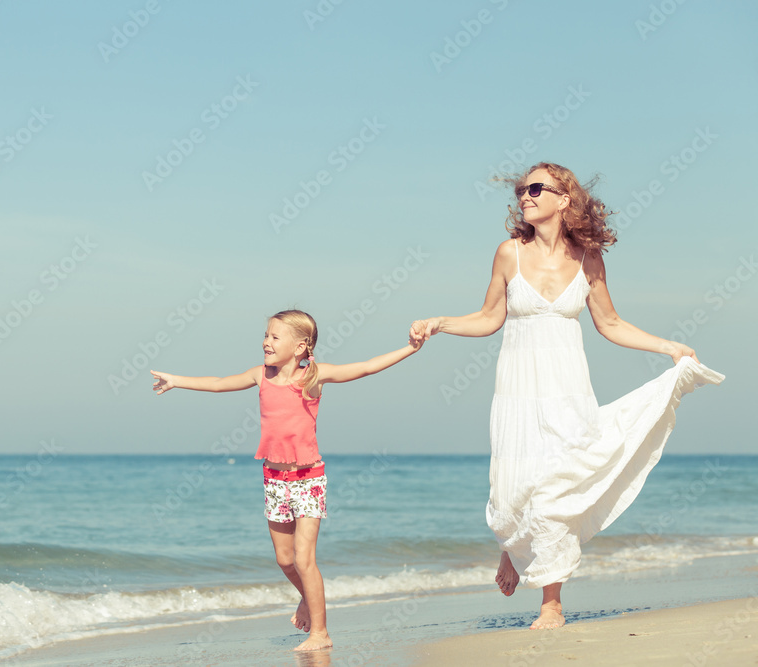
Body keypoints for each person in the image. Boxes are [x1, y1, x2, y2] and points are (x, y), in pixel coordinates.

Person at [410, 163, 723, 630]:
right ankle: (512, 550)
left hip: (567, 386)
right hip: (517, 388)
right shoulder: (508, 254)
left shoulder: (588, 259)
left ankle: (551, 603)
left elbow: (611, 323)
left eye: (536, 188)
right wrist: (442, 323)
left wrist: (669, 346)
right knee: (513, 485)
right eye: (521, 189)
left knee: (557, 484)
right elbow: (489, 317)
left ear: (564, 199)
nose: (525, 195)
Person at [151, 309, 421, 651]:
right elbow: (220, 384)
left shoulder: (313, 378)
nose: (266, 341)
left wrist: (409, 348)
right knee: (285, 560)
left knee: (305, 558)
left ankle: (320, 634)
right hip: (274, 480)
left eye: (275, 336)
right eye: (266, 335)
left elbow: (366, 367)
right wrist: (177, 380)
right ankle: (307, 599)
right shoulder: (260, 376)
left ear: (300, 347)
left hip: (308, 478)